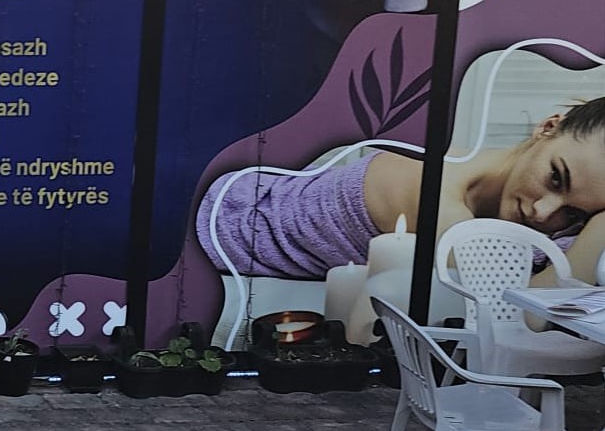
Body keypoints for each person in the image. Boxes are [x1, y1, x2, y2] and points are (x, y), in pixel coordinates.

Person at [198, 96, 605, 287]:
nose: (543, 213)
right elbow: (524, 316)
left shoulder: (479, 188)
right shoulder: (433, 194)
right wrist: (599, 230)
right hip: (214, 222)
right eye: (556, 178)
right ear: (548, 127)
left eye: (574, 215)